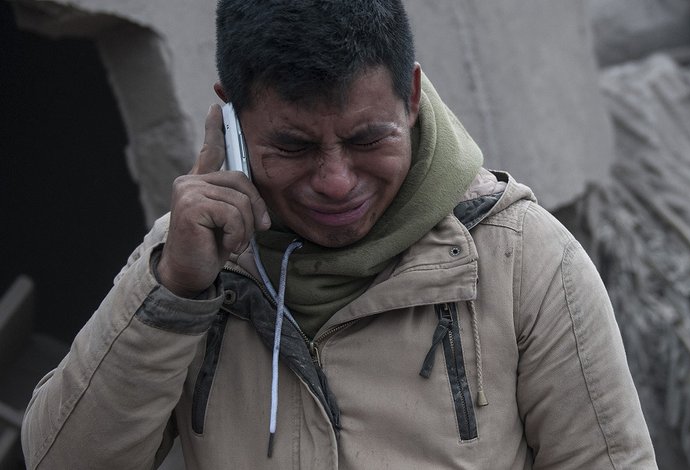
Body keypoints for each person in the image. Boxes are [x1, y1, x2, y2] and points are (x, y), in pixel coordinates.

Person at [21, 0, 657, 468]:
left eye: (366, 139)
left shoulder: (523, 258)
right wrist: (174, 293)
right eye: (292, 146)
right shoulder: (191, 262)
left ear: (409, 96)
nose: (334, 180)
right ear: (234, 117)